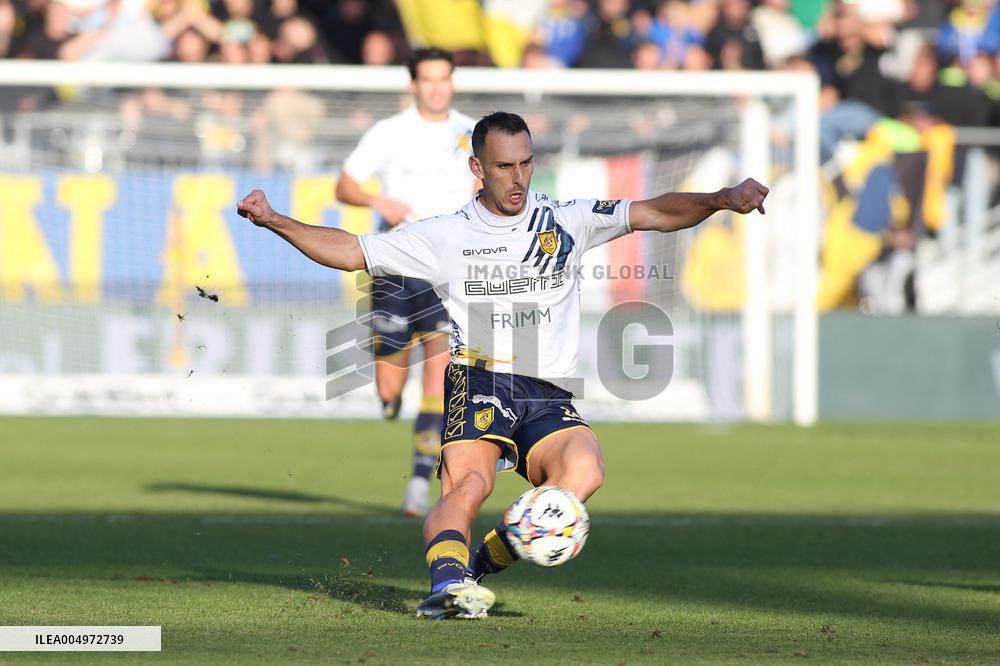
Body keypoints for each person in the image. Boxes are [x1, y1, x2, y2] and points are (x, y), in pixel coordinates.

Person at [237, 111, 768, 620]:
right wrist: (274, 219)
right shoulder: (445, 235)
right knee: (468, 486)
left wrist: (722, 199)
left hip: (547, 390)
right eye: (504, 167)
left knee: (584, 473)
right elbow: (352, 250)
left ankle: (471, 569)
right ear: (477, 169)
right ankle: (446, 586)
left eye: (526, 163)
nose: (518, 178)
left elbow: (654, 212)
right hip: (480, 378)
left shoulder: (566, 219)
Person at [334, 47, 477, 518]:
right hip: (395, 265)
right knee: (390, 384)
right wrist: (382, 201)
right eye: (428, 79)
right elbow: (345, 185)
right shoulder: (390, 132)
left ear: (452, 82)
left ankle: (418, 483)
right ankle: (388, 401)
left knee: (439, 374)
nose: (437, 87)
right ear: (413, 84)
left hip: (446, 269)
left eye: (444, 78)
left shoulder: (471, 132)